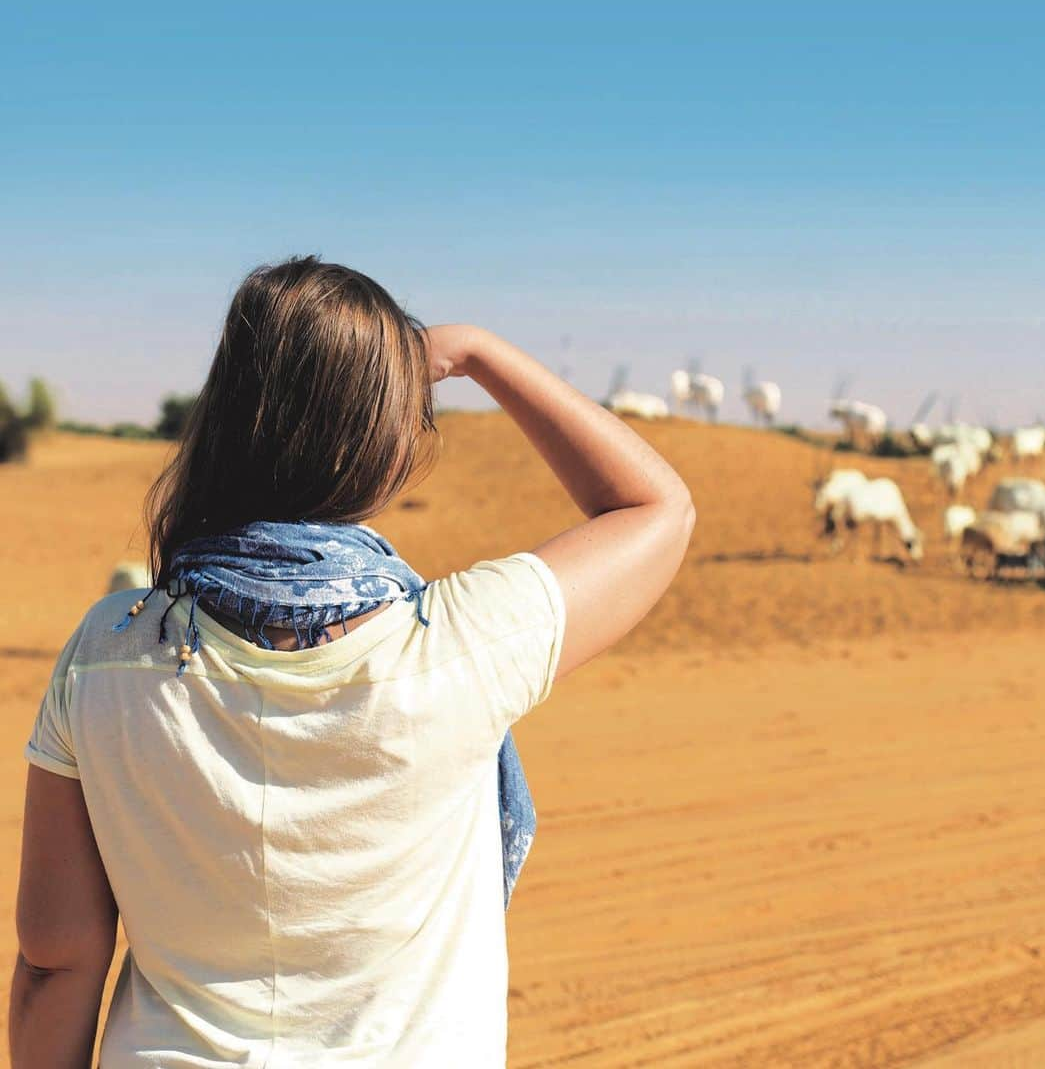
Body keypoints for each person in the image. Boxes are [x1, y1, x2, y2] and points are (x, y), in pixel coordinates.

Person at [11, 256, 695, 1068]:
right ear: (389, 447)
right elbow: (655, 507)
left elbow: (57, 963)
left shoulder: (107, 653)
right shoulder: (461, 645)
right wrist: (477, 351)